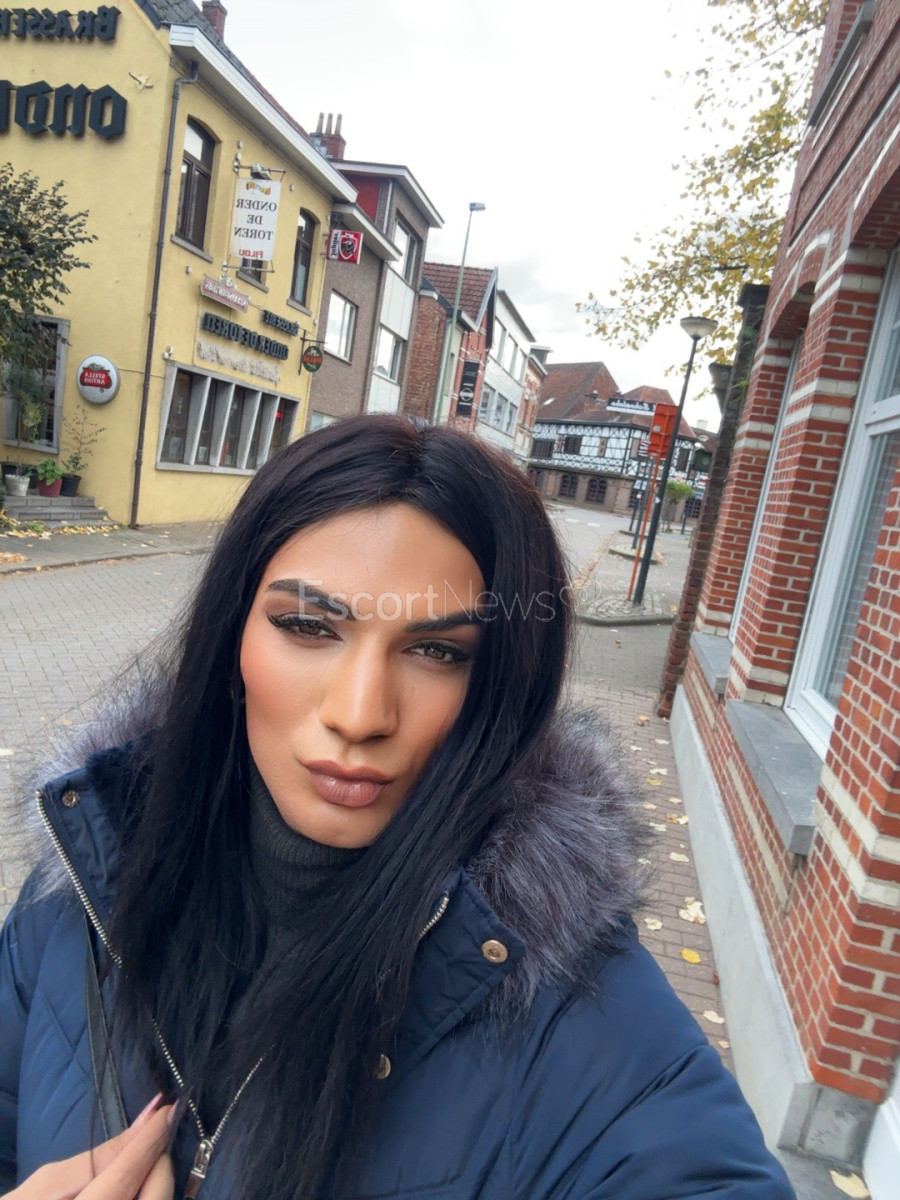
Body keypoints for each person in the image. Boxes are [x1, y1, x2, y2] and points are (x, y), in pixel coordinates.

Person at [0, 415, 795, 1199]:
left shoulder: (571, 1009)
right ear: (231, 638)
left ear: (498, 688)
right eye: (307, 626)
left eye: (437, 651)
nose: (359, 715)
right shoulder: (85, 879)